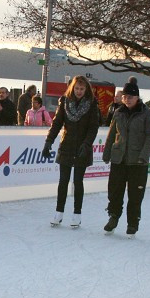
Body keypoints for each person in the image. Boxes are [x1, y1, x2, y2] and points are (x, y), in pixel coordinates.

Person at [102, 77, 150, 236]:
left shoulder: (146, 113)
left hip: (137, 162)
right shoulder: (118, 112)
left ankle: (133, 223)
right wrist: (107, 153)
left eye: (130, 97)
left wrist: (144, 156)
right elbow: (112, 134)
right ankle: (113, 216)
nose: (127, 100)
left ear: (137, 97)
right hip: (119, 159)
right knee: (114, 191)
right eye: (125, 97)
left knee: (135, 194)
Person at [42, 76, 99, 228]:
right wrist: (49, 141)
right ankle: (59, 212)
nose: (79, 91)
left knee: (78, 181)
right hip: (66, 145)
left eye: (82, 89)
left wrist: (86, 144)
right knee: (63, 181)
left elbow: (93, 128)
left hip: (82, 148)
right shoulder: (65, 102)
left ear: (86, 90)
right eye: (77, 88)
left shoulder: (92, 105)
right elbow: (57, 123)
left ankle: (77, 214)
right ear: (72, 88)